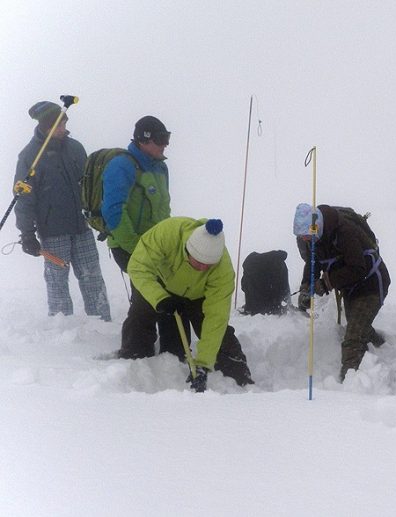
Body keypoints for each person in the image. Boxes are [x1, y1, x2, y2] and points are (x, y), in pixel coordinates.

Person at [116, 217, 254, 391]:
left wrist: (203, 363)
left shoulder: (222, 271)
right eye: (200, 263)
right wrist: (160, 298)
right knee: (141, 314)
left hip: (197, 293)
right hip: (159, 282)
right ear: (188, 250)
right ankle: (133, 362)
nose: (204, 268)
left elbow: (216, 316)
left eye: (209, 265)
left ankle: (240, 378)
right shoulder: (168, 234)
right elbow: (137, 267)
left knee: (215, 332)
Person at [13, 101, 111, 321]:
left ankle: (102, 322)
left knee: (92, 276)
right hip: (53, 230)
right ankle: (62, 326)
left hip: (82, 226)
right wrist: (27, 234)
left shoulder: (75, 148)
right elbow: (24, 198)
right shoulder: (30, 156)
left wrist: (99, 216)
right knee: (57, 279)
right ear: (45, 126)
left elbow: (91, 188)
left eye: (64, 123)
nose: (62, 129)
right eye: (57, 125)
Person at [102, 116, 182, 353]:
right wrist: (137, 248)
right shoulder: (122, 166)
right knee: (148, 294)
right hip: (128, 244)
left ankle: (173, 349)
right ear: (143, 140)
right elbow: (113, 211)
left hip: (157, 245)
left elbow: (163, 209)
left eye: (167, 138)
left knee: (172, 288)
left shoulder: (160, 167)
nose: (164, 145)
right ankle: (136, 351)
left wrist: (169, 242)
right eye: (160, 140)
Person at [293, 204, 390, 380]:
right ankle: (383, 345)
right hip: (350, 288)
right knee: (358, 325)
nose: (306, 240)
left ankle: (348, 382)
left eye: (307, 236)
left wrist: (326, 282)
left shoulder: (345, 232)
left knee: (352, 336)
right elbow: (312, 263)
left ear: (317, 226)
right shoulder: (313, 239)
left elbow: (357, 268)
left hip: (372, 284)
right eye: (302, 237)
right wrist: (306, 286)